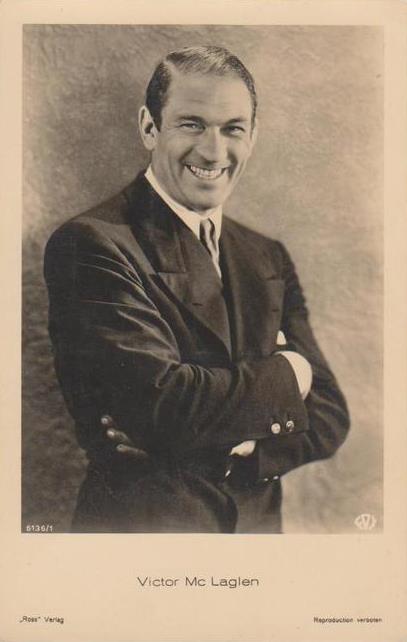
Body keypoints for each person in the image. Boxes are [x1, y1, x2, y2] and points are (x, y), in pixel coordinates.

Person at [44, 45, 350, 533]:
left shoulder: (265, 254)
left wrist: (236, 449)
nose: (213, 151)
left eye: (233, 129)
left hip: (257, 544)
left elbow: (330, 415)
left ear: (253, 136)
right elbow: (163, 410)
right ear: (149, 127)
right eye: (192, 124)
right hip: (141, 542)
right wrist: (292, 371)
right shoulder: (92, 243)